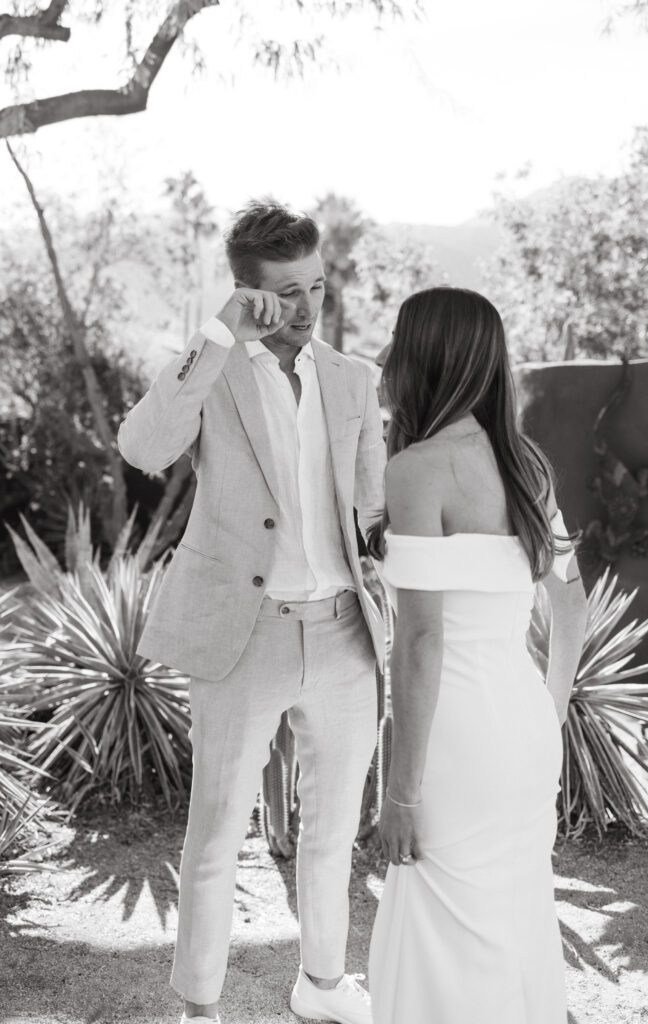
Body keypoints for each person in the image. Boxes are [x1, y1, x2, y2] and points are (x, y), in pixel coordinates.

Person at [117, 200, 386, 1024]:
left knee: (332, 830)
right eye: (286, 293)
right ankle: (198, 1006)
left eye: (316, 286)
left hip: (343, 633)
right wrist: (219, 333)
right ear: (249, 293)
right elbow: (143, 448)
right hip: (244, 635)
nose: (307, 309)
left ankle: (323, 983)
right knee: (216, 834)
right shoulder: (215, 369)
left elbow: (370, 508)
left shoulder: (354, 378)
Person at [366, 286, 589, 1024]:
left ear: (421, 358)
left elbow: (422, 644)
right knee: (510, 916)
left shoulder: (416, 470)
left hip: (455, 738)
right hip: (520, 723)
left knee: (444, 923)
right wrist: (547, 709)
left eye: (400, 345)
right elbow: (570, 602)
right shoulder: (528, 465)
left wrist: (399, 794)